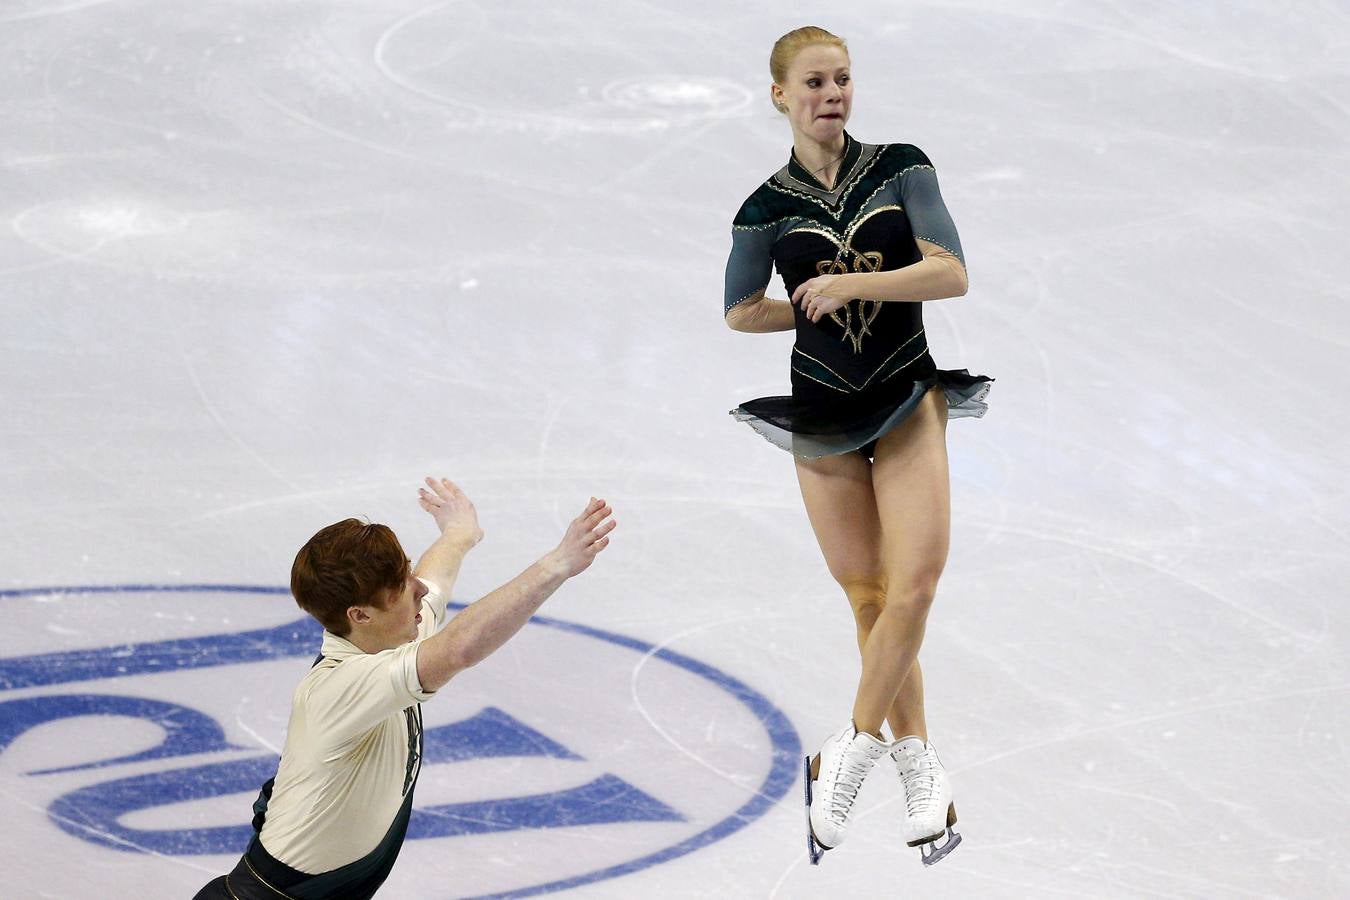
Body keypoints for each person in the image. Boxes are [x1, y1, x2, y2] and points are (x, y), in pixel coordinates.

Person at [723, 26, 991, 866]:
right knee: (869, 599)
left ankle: (847, 750)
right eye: (813, 83)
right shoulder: (764, 207)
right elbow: (740, 309)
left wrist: (850, 285)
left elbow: (950, 272)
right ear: (780, 96)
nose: (831, 93)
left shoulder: (901, 166)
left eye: (841, 80)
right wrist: (803, 306)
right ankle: (921, 770)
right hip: (822, 410)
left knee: (914, 585)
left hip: (908, 393)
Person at [193, 478, 615, 899]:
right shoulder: (338, 688)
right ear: (360, 615)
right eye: (400, 589)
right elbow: (458, 649)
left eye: (407, 573)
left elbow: (435, 584)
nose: (418, 590)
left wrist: (458, 535)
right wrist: (557, 563)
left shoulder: (393, 632)